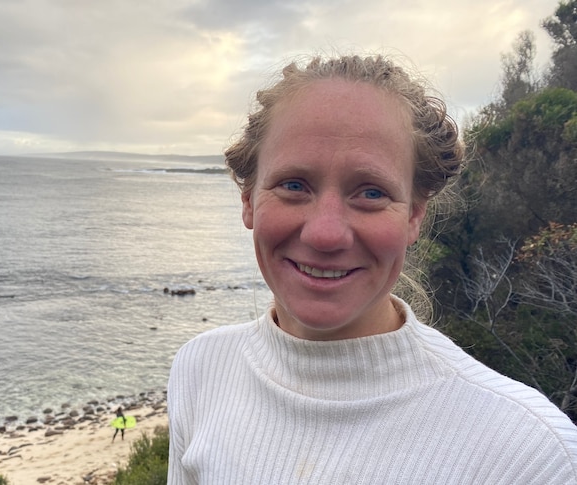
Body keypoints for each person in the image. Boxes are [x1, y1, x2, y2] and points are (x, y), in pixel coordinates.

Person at [167, 54, 577, 484]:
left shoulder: (535, 456)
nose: (325, 234)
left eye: (371, 192)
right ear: (248, 200)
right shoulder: (201, 368)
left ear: (414, 216)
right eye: (293, 185)